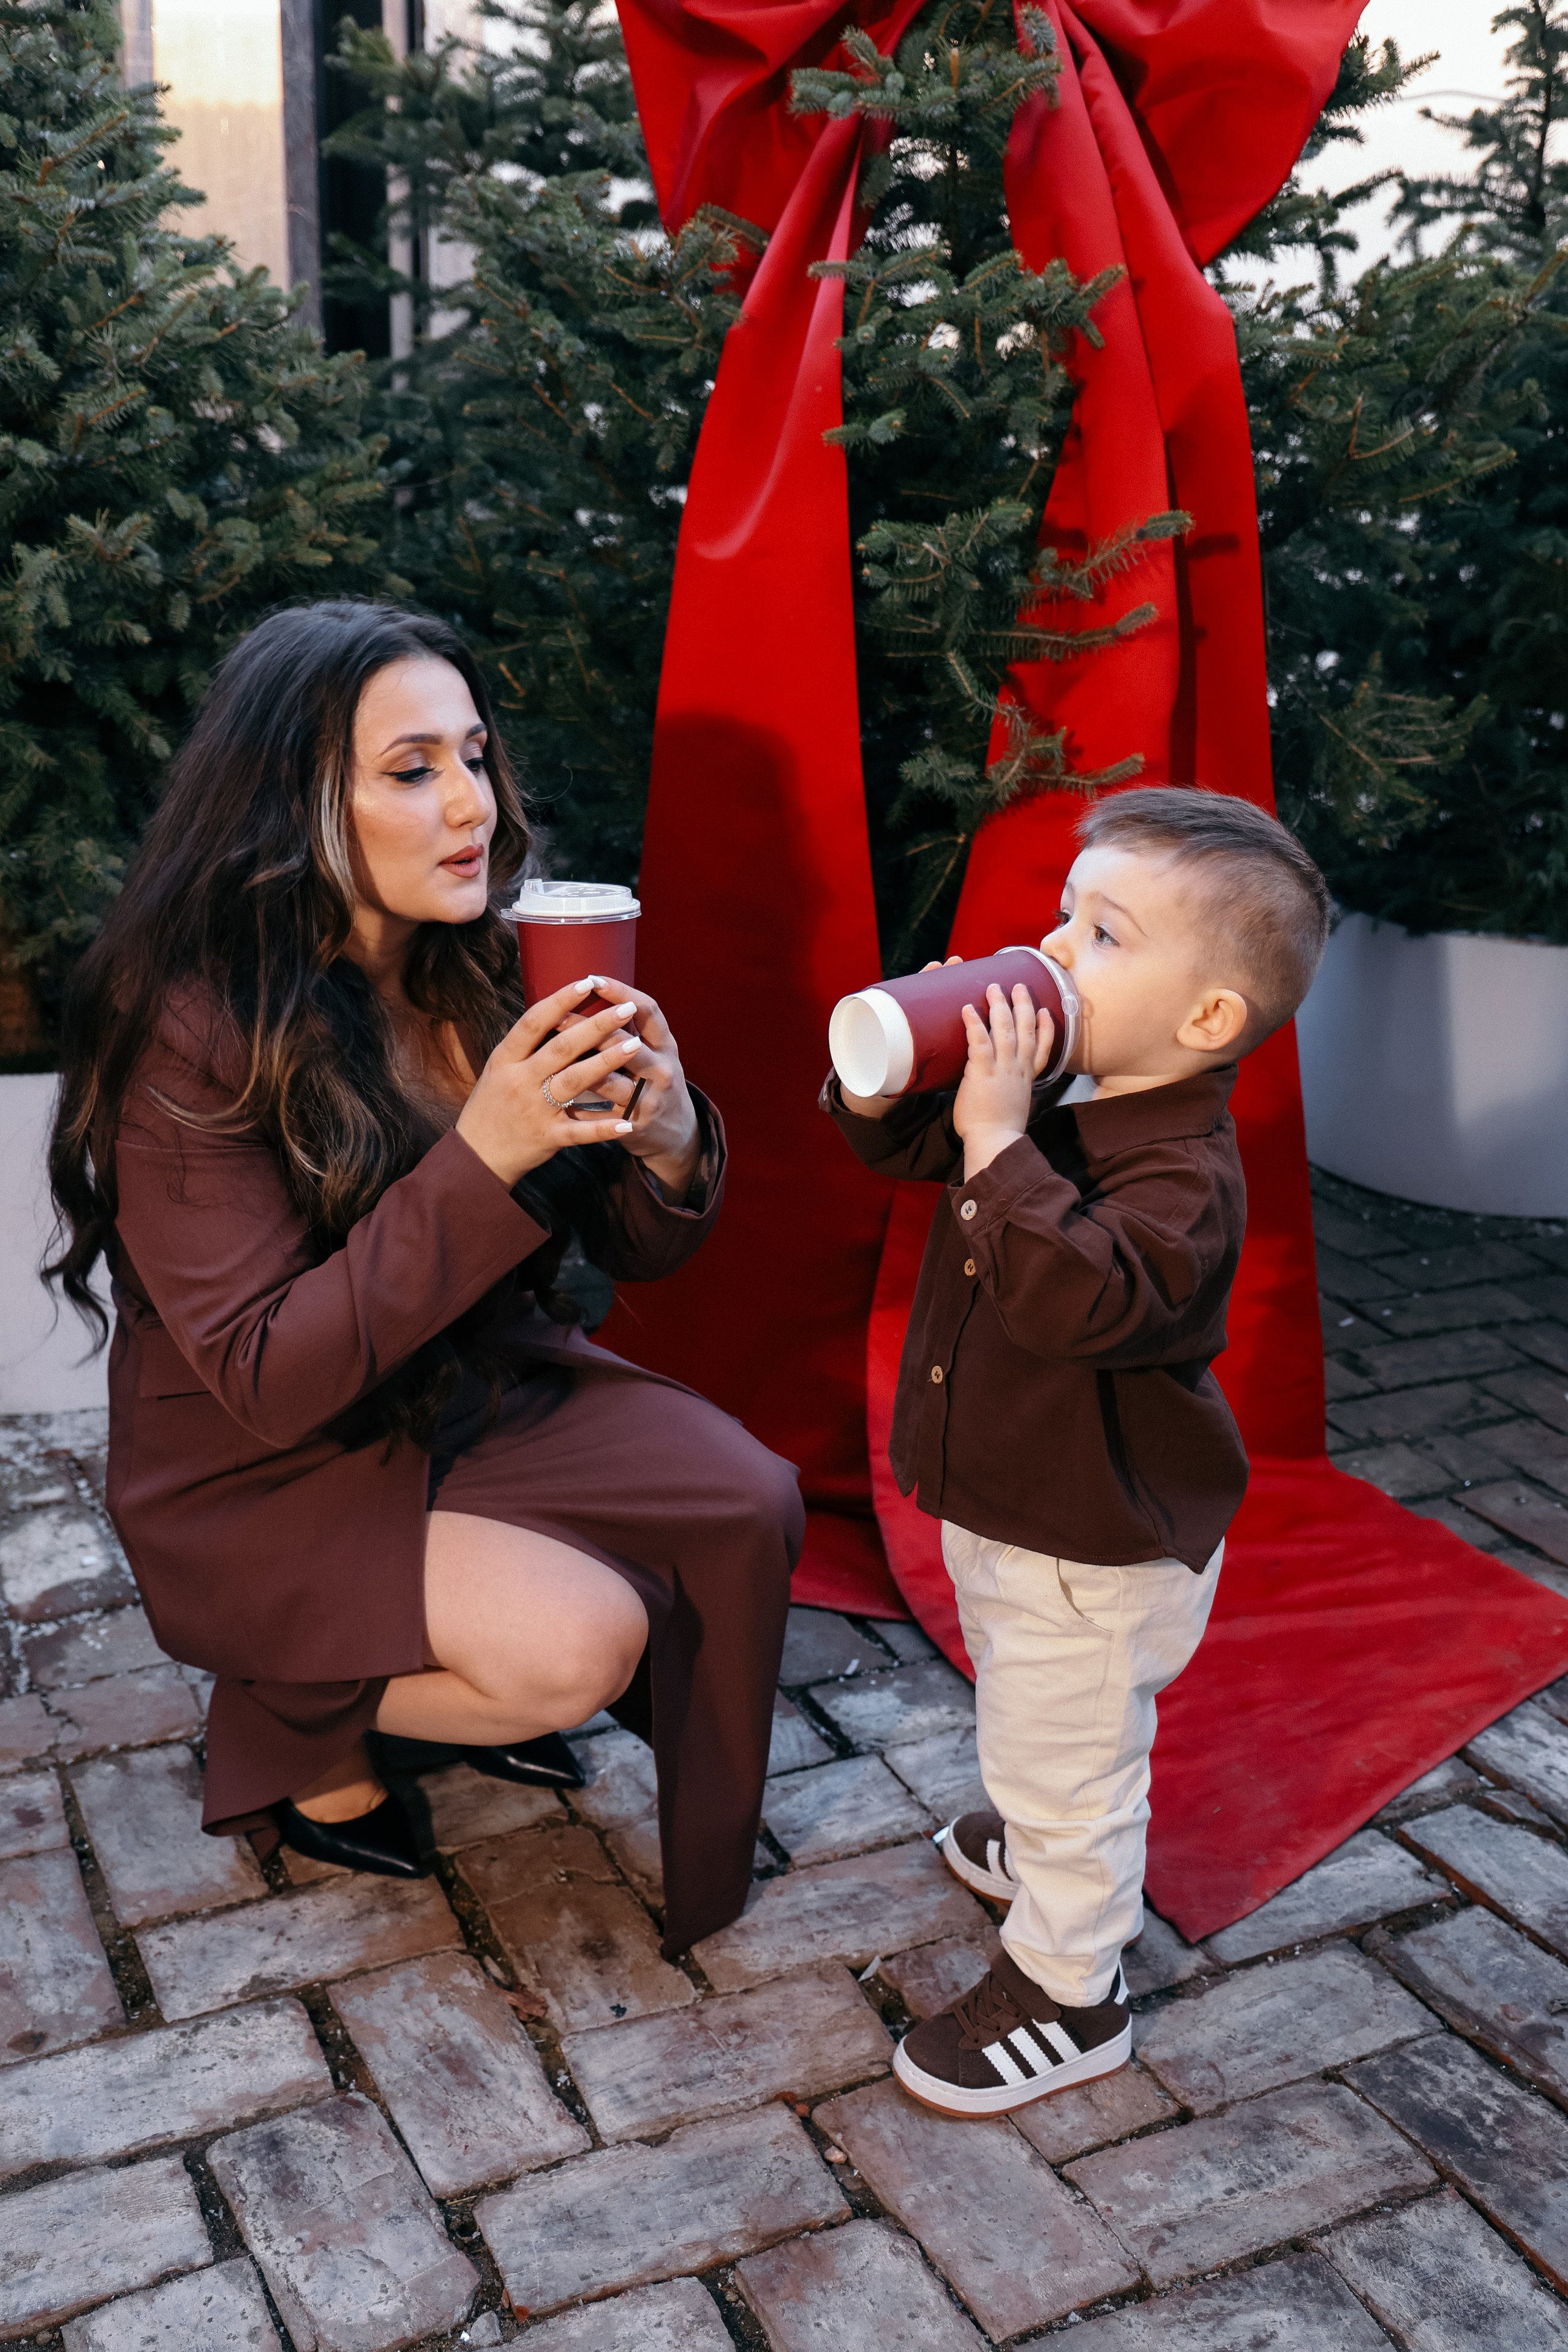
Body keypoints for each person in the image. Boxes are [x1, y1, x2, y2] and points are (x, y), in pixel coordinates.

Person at [46, 599, 802, 1959]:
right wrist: (486, 1154)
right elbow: (272, 1377)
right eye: (410, 770)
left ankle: (406, 1654)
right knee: (575, 1651)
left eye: (474, 755)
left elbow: (638, 1249)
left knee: (750, 1498)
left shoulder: (492, 962)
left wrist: (669, 1136)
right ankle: (287, 1705)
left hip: (460, 1385)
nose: (470, 805)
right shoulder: (189, 1024)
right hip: (264, 1459)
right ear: (290, 805)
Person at [826, 787, 1331, 2115]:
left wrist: (1000, 1138)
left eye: (1103, 934)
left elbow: (1079, 1301)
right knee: (1024, 1700)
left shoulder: (1186, 1179)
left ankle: (1070, 1990)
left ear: (1205, 1019)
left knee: (1071, 1756)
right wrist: (908, 1068)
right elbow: (909, 1146)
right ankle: (1039, 1819)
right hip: (1021, 1511)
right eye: (1065, 913)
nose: (1053, 947)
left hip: (1095, 1545)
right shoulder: (1062, 1086)